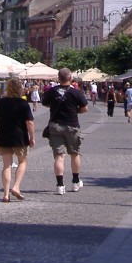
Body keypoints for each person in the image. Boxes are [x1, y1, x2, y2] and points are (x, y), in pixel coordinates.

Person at [42, 67, 88, 195]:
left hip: (55, 126)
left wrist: (54, 105)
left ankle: (60, 185)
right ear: (70, 78)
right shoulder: (75, 92)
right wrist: (75, 110)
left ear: (58, 78)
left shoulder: (52, 91)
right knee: (74, 153)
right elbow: (85, 108)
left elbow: (44, 103)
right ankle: (75, 182)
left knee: (59, 156)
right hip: (71, 125)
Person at [0, 77, 35, 202]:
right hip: (20, 137)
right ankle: (16, 187)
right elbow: (29, 122)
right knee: (22, 162)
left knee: (6, 165)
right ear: (20, 89)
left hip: (3, 136)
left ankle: (6, 194)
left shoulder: (1, 102)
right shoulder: (23, 103)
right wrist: (32, 137)